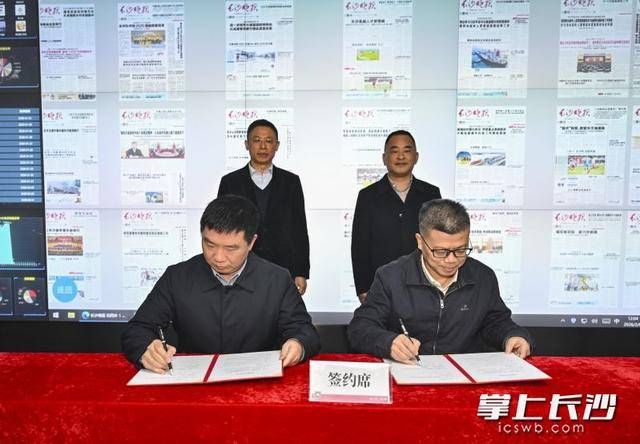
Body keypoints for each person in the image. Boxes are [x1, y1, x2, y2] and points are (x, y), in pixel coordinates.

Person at [121, 195, 320, 374]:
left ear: (251, 243)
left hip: (257, 384)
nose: (218, 257)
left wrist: (298, 344)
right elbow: (138, 329)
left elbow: (304, 331)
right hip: (194, 384)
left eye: (231, 248)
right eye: (209, 244)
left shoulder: (277, 279)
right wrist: (147, 348)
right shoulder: (177, 277)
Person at [347, 198, 532, 364]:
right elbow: (360, 328)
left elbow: (496, 321)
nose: (451, 260)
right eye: (441, 252)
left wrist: (513, 335)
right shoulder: (391, 276)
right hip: (411, 370)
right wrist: (388, 342)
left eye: (460, 250)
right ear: (420, 242)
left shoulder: (482, 276)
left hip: (465, 374)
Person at [218, 119, 310, 295]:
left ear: (277, 145)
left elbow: (299, 229)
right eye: (257, 140)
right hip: (240, 266)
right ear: (247, 144)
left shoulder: (291, 182)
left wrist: (301, 271)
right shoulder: (230, 182)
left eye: (268, 141)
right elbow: (221, 229)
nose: (262, 146)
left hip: (282, 267)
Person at [351, 130, 441, 303]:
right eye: (394, 151)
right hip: (380, 285)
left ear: (416, 157)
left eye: (407, 151)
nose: (401, 156)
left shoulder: (431, 193)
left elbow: (439, 240)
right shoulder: (368, 196)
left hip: (423, 284)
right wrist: (363, 288)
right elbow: (359, 246)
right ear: (384, 158)